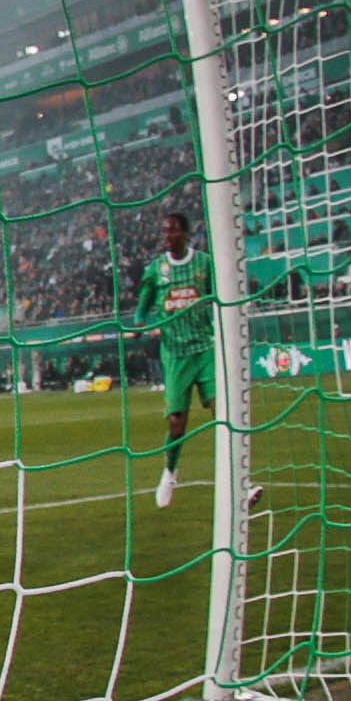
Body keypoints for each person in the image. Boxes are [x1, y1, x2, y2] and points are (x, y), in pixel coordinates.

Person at [137, 212, 212, 511]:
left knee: (222, 411)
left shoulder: (204, 264)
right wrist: (140, 322)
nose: (167, 236)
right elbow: (143, 305)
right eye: (165, 231)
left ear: (186, 233)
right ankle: (169, 473)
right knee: (177, 422)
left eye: (173, 231)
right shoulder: (157, 269)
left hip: (205, 348)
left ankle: (239, 480)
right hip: (175, 353)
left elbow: (218, 296)